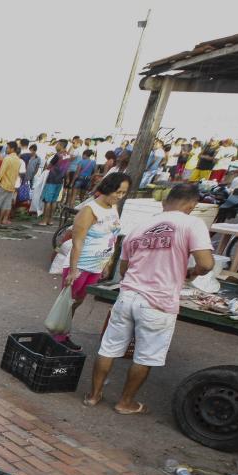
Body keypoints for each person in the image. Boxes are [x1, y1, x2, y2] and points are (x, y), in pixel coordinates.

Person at [84, 183, 213, 414]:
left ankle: (93, 396)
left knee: (109, 348)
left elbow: (124, 268)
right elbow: (206, 263)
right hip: (158, 302)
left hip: (127, 296)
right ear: (192, 205)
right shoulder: (192, 224)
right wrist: (192, 272)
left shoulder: (140, 227)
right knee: (144, 355)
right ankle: (125, 402)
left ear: (165, 202)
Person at [55, 172, 130, 350]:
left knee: (78, 301)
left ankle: (63, 332)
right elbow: (77, 242)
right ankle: (58, 337)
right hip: (81, 264)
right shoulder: (89, 210)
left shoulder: (113, 207)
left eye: (123, 193)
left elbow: (112, 236)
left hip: (97, 265)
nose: (120, 196)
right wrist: (73, 270)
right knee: (68, 301)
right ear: (108, 188)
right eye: (118, 192)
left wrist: (107, 263)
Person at [0, 142, 22, 226]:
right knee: (4, 205)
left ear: (12, 149)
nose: (6, 149)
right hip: (11, 186)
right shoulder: (18, 160)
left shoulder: (7, 158)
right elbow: (16, 174)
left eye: (8, 148)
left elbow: (1, 173)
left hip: (3, 184)